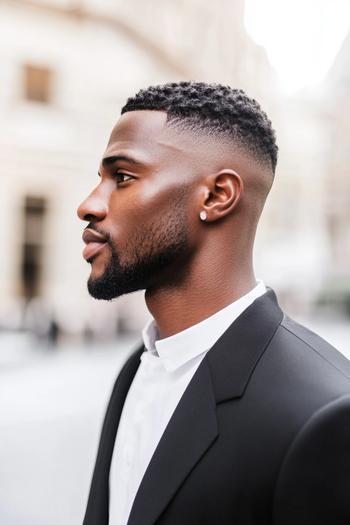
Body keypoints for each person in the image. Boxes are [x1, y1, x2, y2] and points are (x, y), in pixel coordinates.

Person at [77, 82, 350, 525]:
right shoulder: (138, 368)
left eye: (122, 177)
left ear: (218, 196)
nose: (88, 205)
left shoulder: (324, 414)